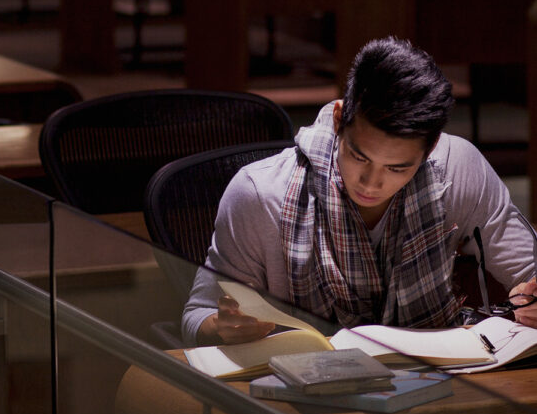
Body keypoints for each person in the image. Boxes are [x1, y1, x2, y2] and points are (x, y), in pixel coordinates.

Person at [181, 37, 537, 347]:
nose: (371, 183)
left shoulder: (456, 169)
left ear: (428, 151)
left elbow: (528, 270)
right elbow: (196, 318)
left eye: (397, 169)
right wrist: (221, 326)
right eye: (358, 156)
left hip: (437, 375)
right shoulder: (260, 193)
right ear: (338, 119)